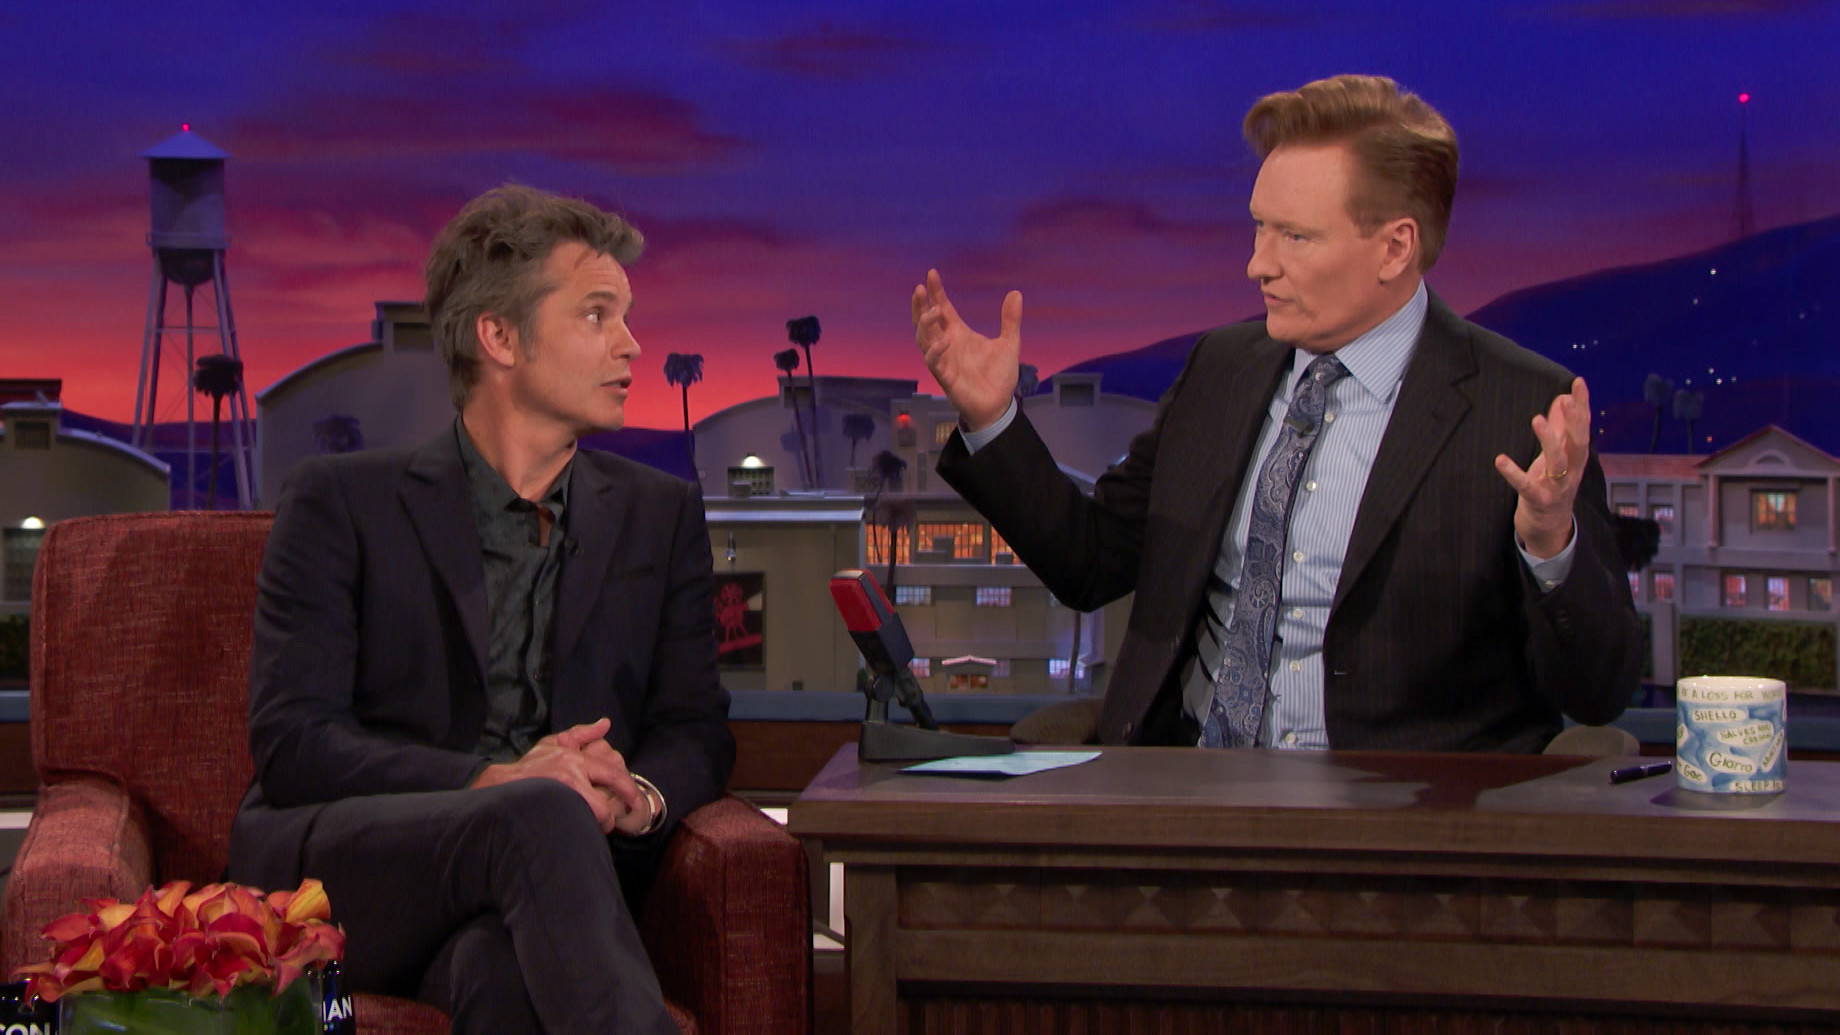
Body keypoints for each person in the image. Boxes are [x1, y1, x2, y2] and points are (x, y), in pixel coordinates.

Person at [912, 75, 1641, 752]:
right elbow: (1091, 561)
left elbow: (1597, 689)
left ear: (1395, 247)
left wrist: (1550, 544)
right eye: (1259, 227)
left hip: (1401, 819)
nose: (1258, 263)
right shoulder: (1220, 371)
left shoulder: (1520, 407)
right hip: (1187, 787)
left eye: (1294, 236)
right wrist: (993, 418)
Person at [229, 185, 733, 1033]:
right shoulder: (341, 503)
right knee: (536, 812)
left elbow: (696, 728)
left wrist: (634, 795)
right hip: (350, 877)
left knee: (501, 977)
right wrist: (492, 781)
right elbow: (294, 744)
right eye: (597, 315)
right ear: (498, 337)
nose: (631, 344)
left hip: (540, 888)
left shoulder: (661, 514)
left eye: (626, 317)